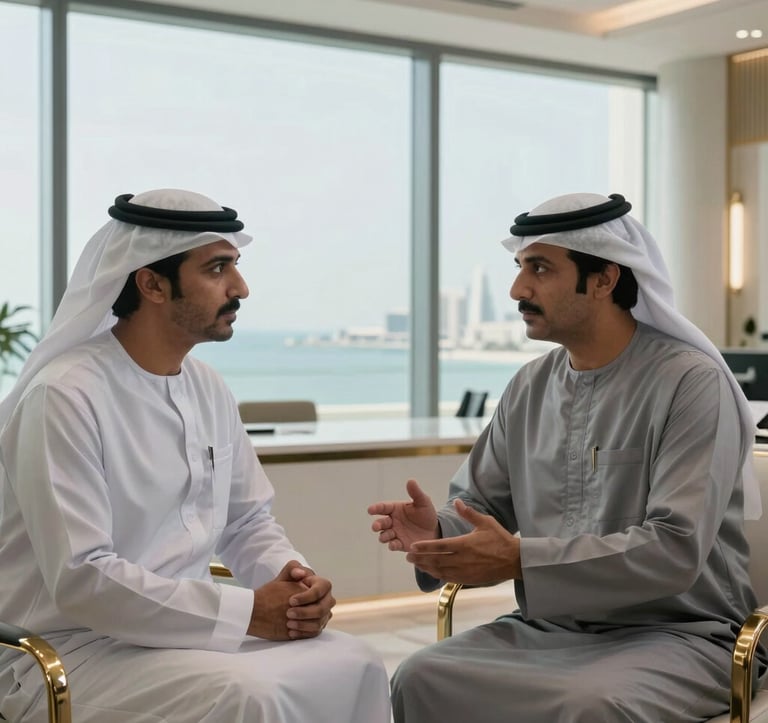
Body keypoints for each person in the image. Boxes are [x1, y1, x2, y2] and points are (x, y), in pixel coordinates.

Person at [368, 191, 766, 723]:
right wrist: (437, 533)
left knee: (592, 705)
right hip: (553, 627)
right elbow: (482, 506)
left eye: (540, 268)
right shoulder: (530, 387)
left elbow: (674, 548)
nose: (518, 289)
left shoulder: (691, 384)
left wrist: (519, 559)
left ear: (603, 279)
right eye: (519, 267)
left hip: (684, 635)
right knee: (420, 677)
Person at [0, 188, 390, 723]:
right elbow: (82, 578)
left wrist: (293, 583)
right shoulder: (64, 395)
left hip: (185, 634)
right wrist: (249, 611)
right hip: (68, 649)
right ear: (152, 283)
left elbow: (247, 519)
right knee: (249, 697)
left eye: (235, 266)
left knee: (357, 661)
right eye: (217, 269)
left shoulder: (206, 385)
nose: (241, 287)